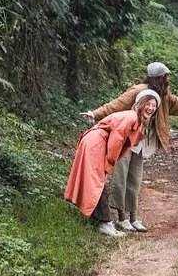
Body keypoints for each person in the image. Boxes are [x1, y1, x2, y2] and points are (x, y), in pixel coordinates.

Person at [81, 62, 178, 233]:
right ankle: (122, 219)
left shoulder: (164, 96)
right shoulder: (138, 91)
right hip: (125, 140)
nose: (166, 80)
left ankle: (133, 217)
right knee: (121, 179)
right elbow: (116, 105)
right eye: (164, 77)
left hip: (142, 142)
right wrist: (94, 114)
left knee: (135, 180)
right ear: (157, 78)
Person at [64, 89, 160, 237]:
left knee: (95, 182)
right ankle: (104, 223)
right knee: (97, 182)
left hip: (97, 144)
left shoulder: (139, 122)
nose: (151, 108)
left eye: (154, 106)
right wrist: (109, 162)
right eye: (147, 104)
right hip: (96, 144)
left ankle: (97, 219)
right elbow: (116, 141)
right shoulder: (130, 117)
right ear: (139, 104)